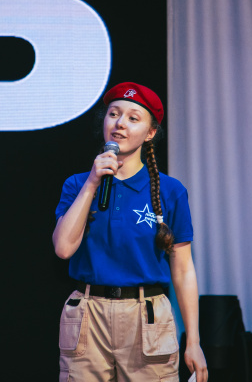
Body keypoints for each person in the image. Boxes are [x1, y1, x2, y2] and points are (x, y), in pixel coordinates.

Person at [53, 82, 208, 382]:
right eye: (114, 114)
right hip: (87, 315)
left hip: (146, 316)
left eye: (133, 118)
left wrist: (194, 341)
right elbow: (63, 248)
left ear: (150, 133)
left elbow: (183, 269)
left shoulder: (170, 190)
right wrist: (92, 183)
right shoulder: (77, 184)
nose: (120, 123)